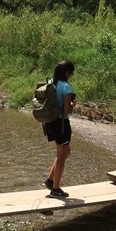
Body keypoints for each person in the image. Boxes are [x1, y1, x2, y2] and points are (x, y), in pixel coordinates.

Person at [43, 60, 76, 198]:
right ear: (67, 73)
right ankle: (55, 190)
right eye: (72, 73)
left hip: (49, 122)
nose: (72, 76)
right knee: (62, 156)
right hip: (61, 124)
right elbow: (67, 110)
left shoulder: (50, 82)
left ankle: (50, 180)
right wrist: (73, 103)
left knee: (66, 151)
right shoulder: (66, 87)